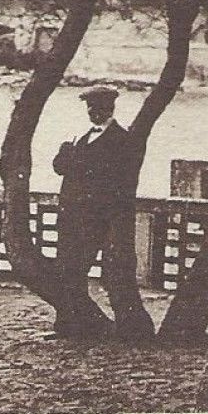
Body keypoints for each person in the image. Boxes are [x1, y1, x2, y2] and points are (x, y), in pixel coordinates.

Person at [51, 84, 153, 340]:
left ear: (110, 108)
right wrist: (66, 151)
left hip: (101, 219)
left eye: (97, 108)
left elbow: (107, 178)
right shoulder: (82, 139)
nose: (93, 112)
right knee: (70, 271)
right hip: (75, 217)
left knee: (112, 275)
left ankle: (128, 327)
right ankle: (71, 324)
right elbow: (60, 167)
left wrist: (73, 158)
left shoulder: (120, 139)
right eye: (90, 108)